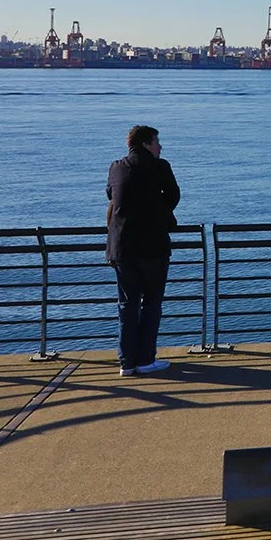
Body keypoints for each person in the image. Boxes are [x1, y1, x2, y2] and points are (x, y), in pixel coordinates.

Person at [106, 124, 181, 375]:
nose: (160, 147)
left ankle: (126, 362)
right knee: (151, 303)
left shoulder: (116, 166)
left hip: (122, 247)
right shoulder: (160, 167)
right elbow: (173, 196)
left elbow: (111, 195)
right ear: (147, 144)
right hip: (152, 246)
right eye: (157, 142)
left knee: (127, 305)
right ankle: (146, 359)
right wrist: (157, 208)